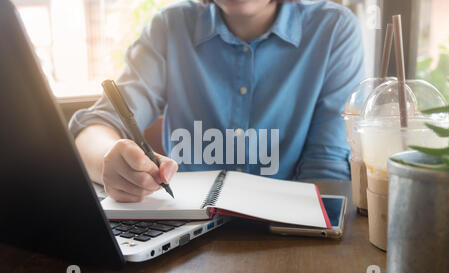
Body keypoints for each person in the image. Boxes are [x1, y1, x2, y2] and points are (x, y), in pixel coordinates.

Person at [69, 0, 365, 202]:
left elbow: (326, 169)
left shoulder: (333, 29)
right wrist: (111, 161)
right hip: (186, 236)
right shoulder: (170, 26)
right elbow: (96, 126)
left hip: (290, 235)